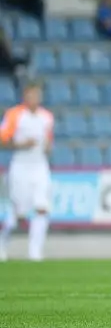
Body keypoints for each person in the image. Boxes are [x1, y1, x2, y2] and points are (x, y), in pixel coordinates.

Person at [0, 81, 54, 261]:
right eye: (31, 95)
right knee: (19, 213)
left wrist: (48, 147)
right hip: (20, 166)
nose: (34, 98)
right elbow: (2, 140)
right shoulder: (15, 115)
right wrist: (21, 144)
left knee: (42, 207)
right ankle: (2, 244)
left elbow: (48, 141)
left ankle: (35, 252)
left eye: (37, 95)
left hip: (40, 166)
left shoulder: (46, 117)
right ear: (25, 96)